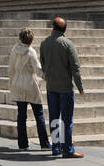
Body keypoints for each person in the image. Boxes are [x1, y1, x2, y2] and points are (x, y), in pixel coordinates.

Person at [39, 16, 85, 158]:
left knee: (54, 118)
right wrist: (80, 87)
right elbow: (75, 68)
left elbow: (43, 63)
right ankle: (68, 149)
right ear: (64, 29)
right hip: (65, 88)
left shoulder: (44, 43)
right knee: (66, 120)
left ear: (53, 27)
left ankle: (56, 148)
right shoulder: (67, 44)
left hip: (51, 87)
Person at [8, 27, 49, 151]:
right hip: (30, 84)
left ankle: (22, 144)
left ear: (20, 38)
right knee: (39, 114)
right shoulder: (31, 52)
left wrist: (11, 84)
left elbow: (11, 69)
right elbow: (37, 70)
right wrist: (47, 76)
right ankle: (44, 144)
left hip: (18, 83)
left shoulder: (14, 49)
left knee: (21, 116)